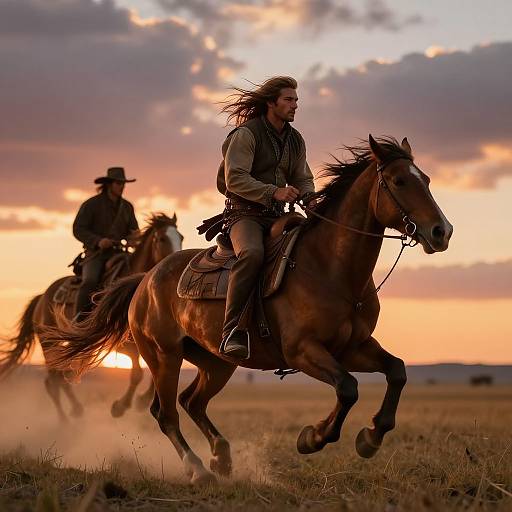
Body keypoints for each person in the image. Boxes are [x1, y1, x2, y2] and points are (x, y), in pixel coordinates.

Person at [217, 76, 316, 359]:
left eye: (296, 100)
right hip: (243, 215)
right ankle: (231, 331)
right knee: (251, 254)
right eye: (289, 99)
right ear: (271, 102)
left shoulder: (295, 139)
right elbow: (234, 179)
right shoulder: (246, 134)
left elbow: (302, 177)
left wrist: (309, 197)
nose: (295, 105)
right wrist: (274, 192)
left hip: (278, 216)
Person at [72, 167, 139, 321]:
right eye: (118, 183)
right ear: (109, 184)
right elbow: (78, 229)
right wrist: (98, 241)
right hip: (96, 254)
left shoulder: (127, 207)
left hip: (120, 253)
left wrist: (134, 239)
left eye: (123, 183)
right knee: (90, 281)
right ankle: (78, 320)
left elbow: (134, 231)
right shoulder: (91, 205)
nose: (122, 186)